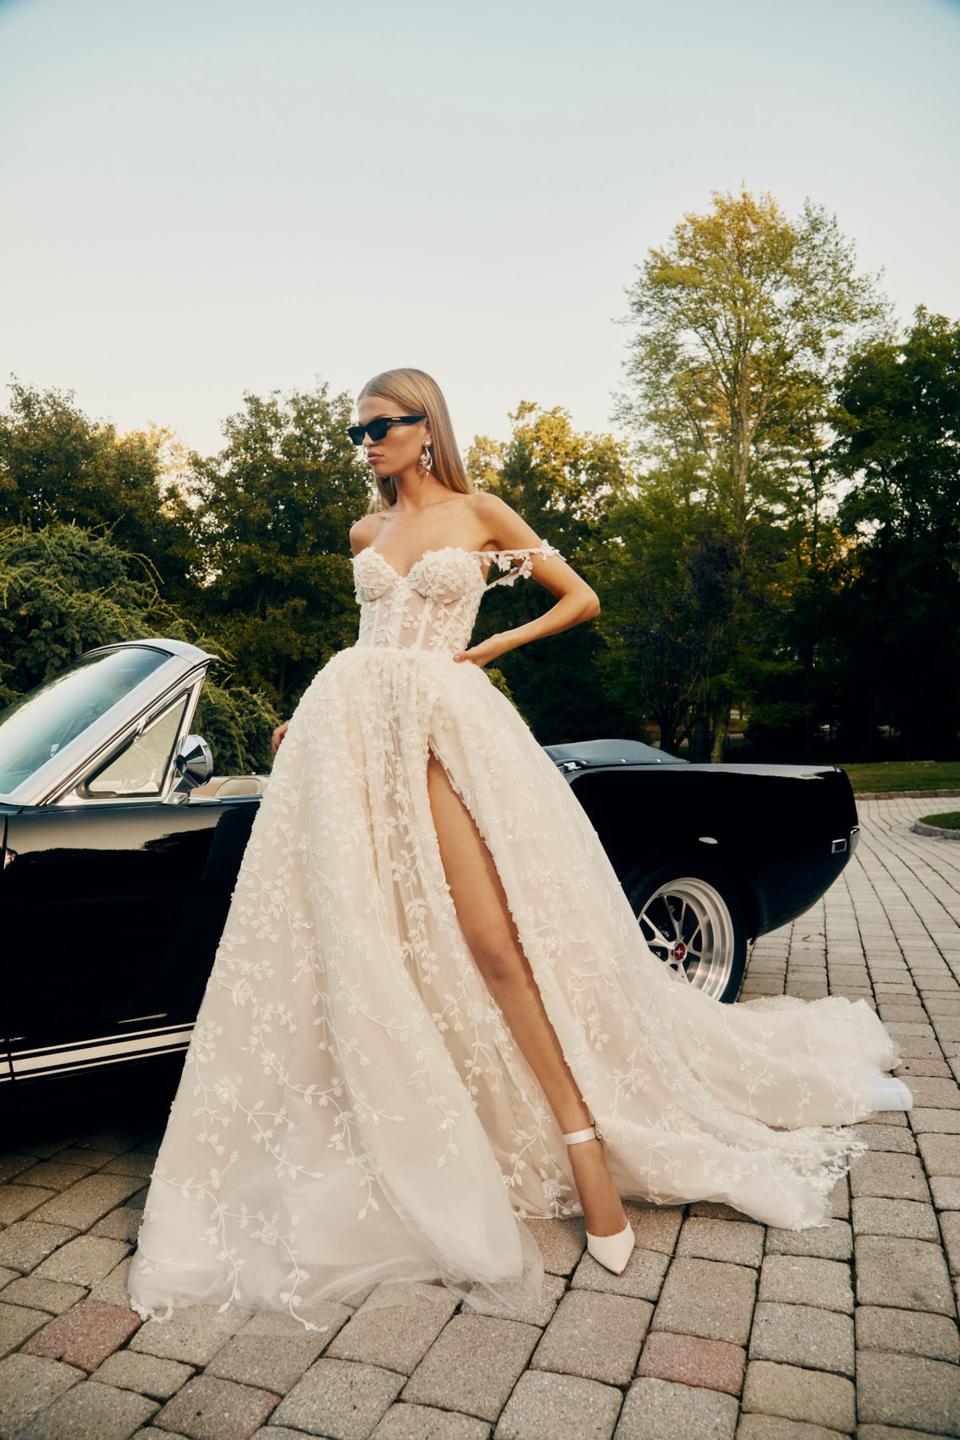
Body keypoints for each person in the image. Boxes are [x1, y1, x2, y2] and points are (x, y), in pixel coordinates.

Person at [127, 367, 912, 1335]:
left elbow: (578, 598)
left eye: (381, 426)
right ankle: (425, 1134)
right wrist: (302, 718)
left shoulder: (480, 510)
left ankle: (587, 1147)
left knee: (496, 943)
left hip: (441, 726)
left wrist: (487, 653)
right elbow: (367, 633)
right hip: (353, 737)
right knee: (372, 942)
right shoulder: (363, 535)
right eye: (356, 429)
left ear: (426, 430)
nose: (365, 442)